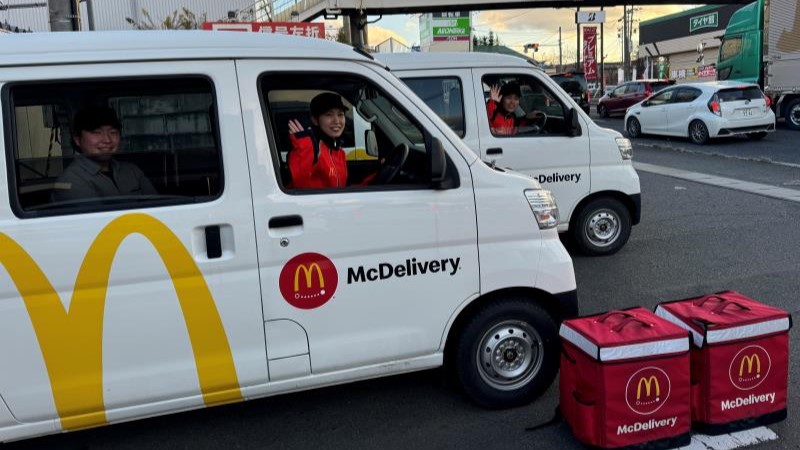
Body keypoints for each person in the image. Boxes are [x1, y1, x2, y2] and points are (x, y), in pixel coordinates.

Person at [52, 106, 157, 202]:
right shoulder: (71, 180)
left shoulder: (132, 171)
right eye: (97, 132)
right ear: (77, 140)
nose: (107, 140)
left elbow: (157, 206)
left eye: (113, 132)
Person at [286, 93, 350, 189]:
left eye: (340, 114)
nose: (337, 121)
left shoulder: (339, 152)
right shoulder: (310, 148)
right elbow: (299, 187)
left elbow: (343, 192)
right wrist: (304, 148)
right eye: (329, 114)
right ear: (315, 120)